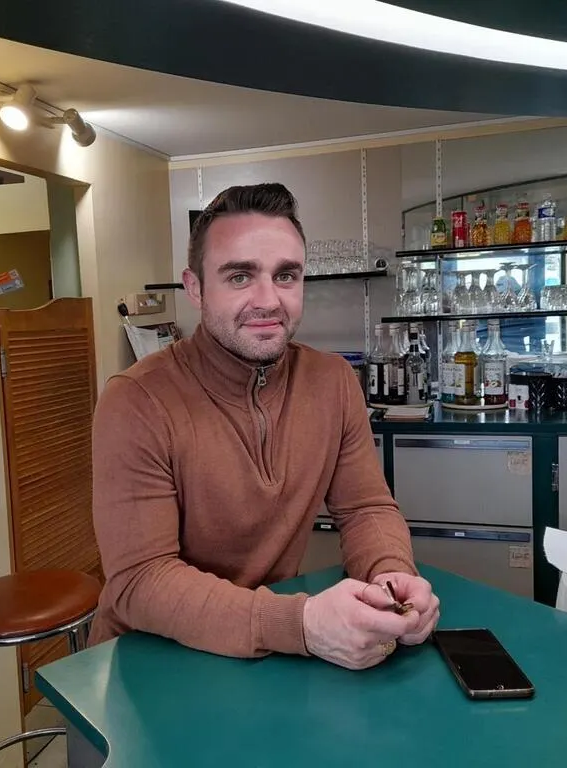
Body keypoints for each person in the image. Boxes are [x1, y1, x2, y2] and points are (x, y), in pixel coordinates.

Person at [89, 183, 440, 670]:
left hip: (265, 657)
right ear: (195, 287)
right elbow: (140, 580)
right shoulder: (136, 400)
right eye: (239, 276)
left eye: (286, 276)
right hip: (151, 664)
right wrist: (301, 624)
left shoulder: (333, 381)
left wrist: (390, 576)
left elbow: (366, 508)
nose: (268, 300)